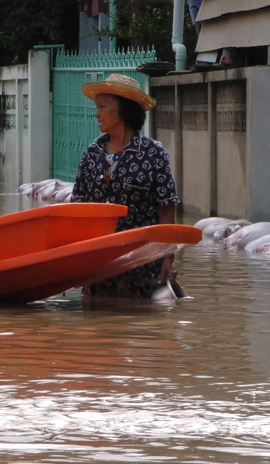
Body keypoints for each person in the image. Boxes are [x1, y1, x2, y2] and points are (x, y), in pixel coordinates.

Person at [71, 74, 180, 298]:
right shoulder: (92, 153)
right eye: (96, 107)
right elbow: (77, 210)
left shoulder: (153, 153)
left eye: (102, 107)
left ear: (124, 110)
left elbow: (167, 210)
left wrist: (168, 259)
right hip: (99, 269)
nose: (96, 113)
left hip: (143, 268)